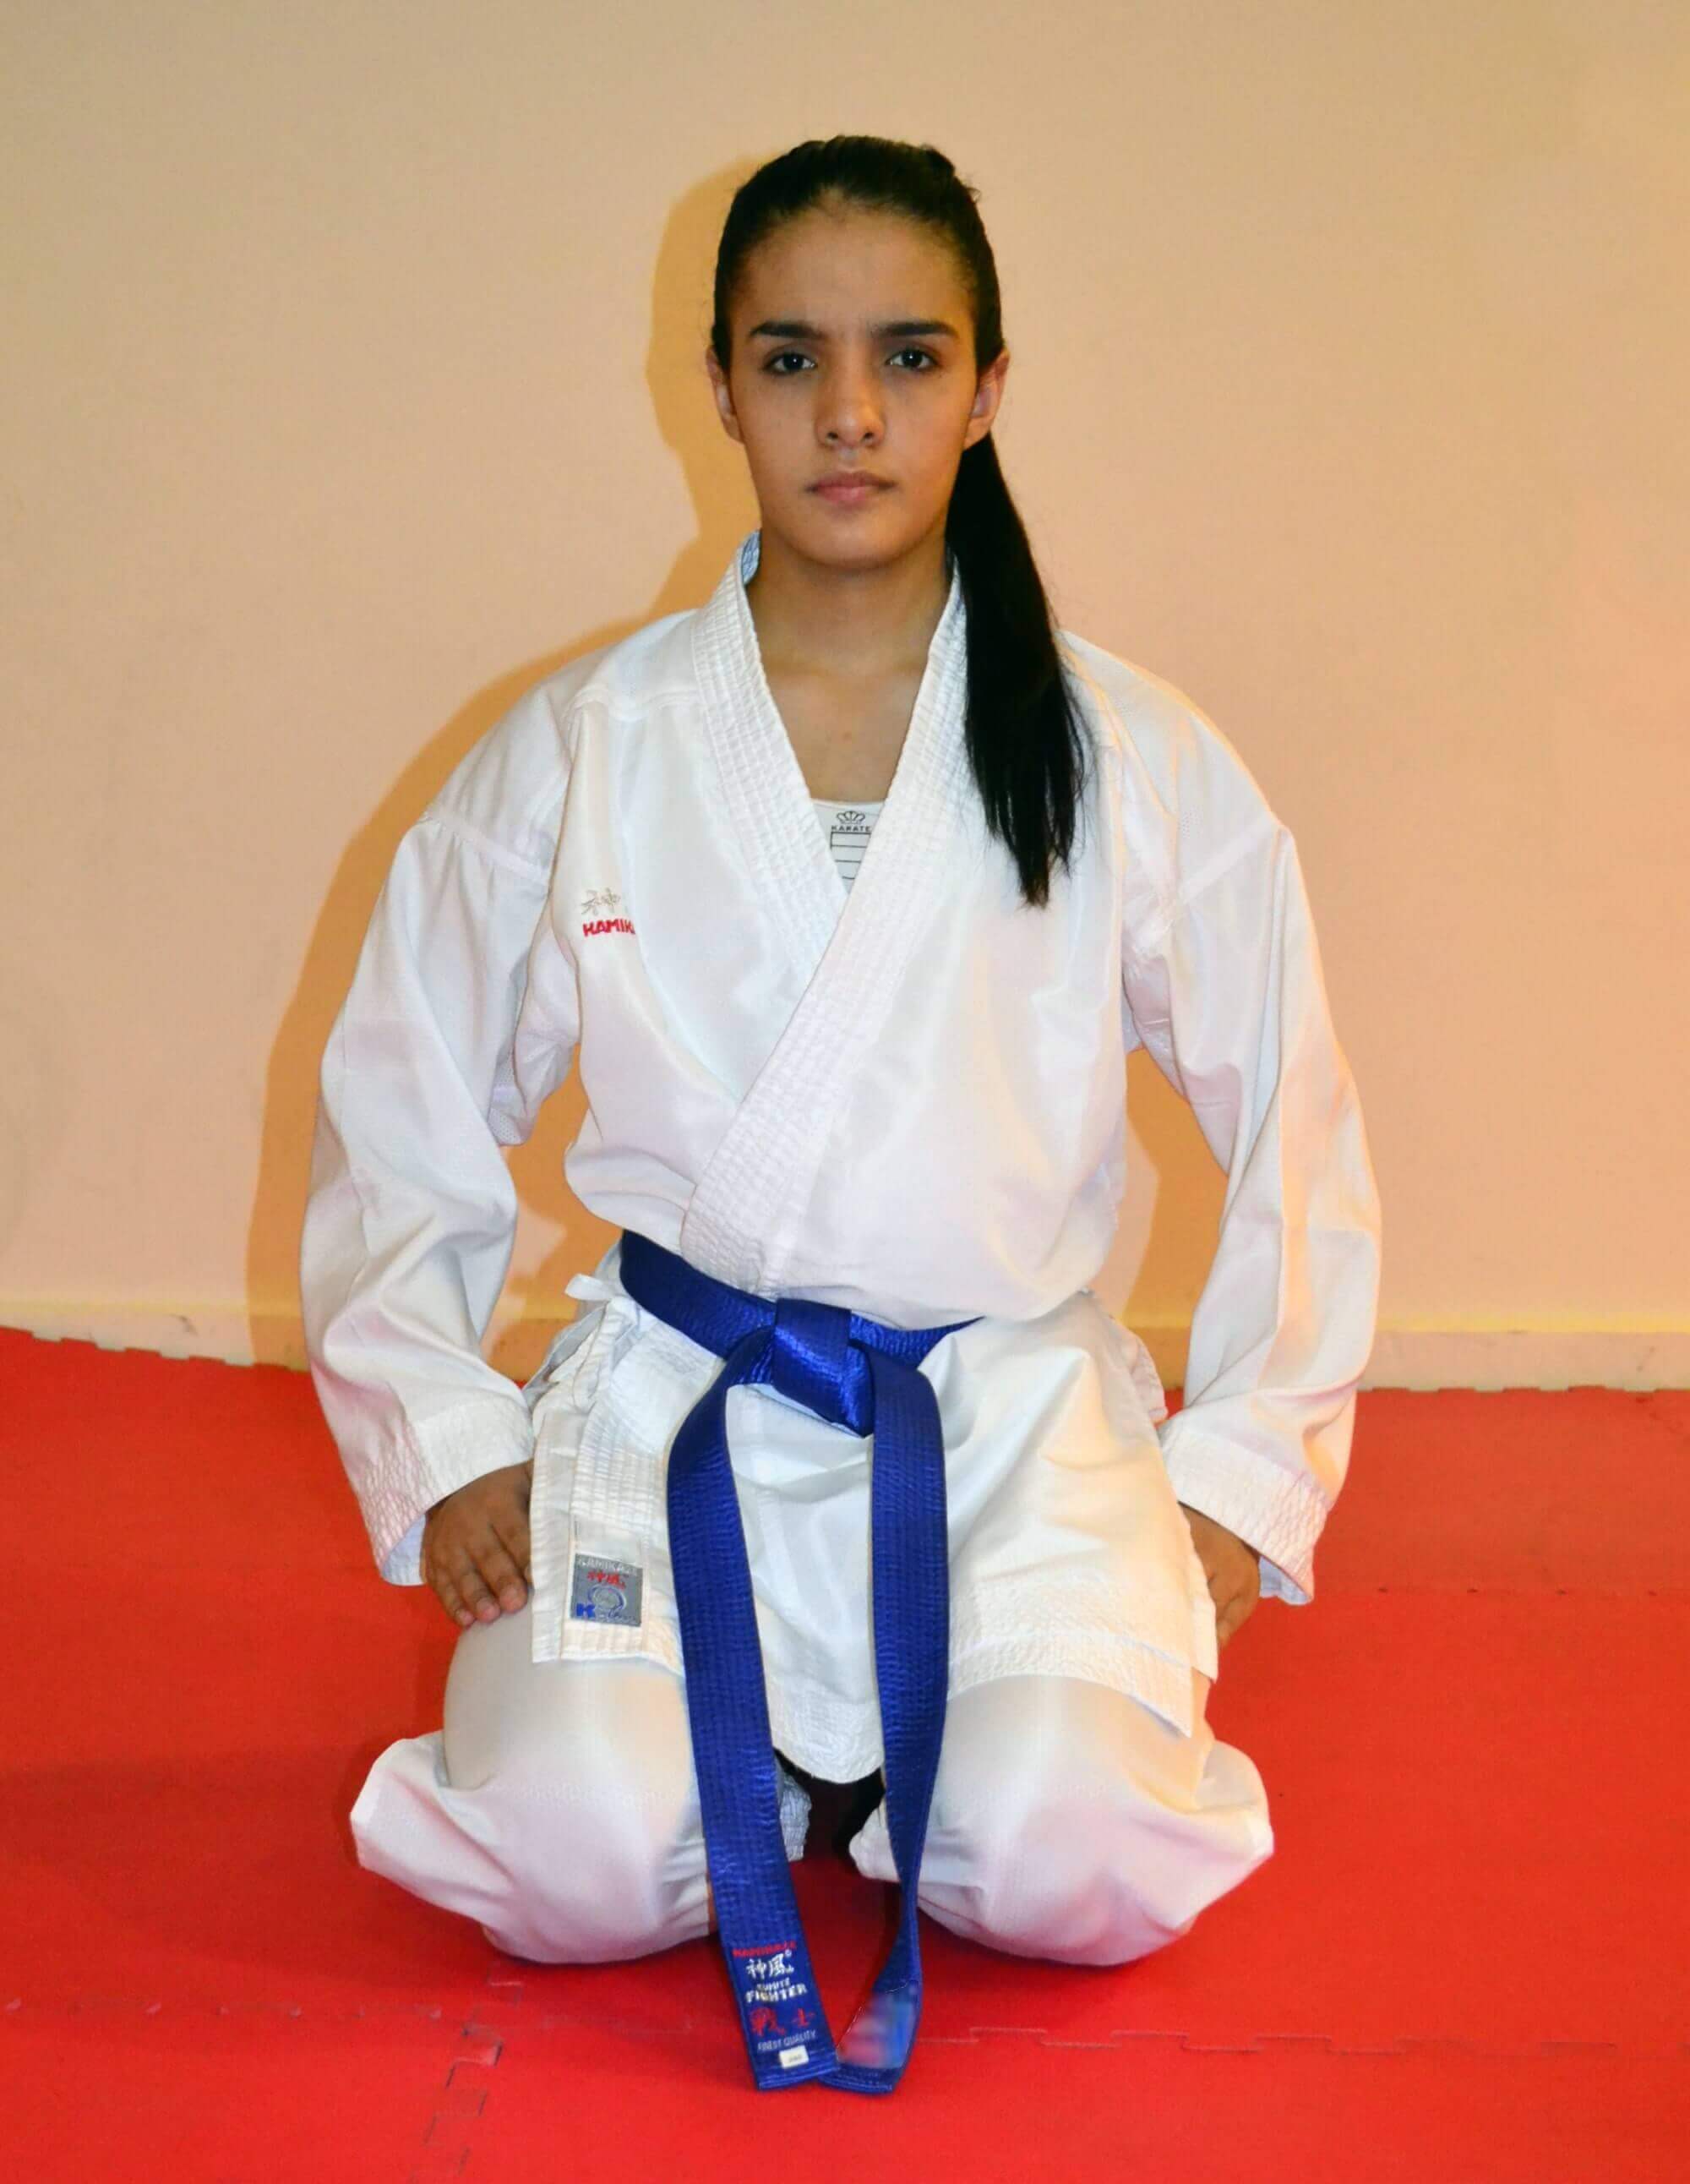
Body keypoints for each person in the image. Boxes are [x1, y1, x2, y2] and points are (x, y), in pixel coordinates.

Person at [300, 134, 1381, 2077]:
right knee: (566, 1852)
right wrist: (444, 1429)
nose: (851, 413)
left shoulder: (1124, 748)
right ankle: (797, 1757)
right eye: (790, 358)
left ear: (987, 386)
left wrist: (1245, 1472)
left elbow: (1297, 1115)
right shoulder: (590, 743)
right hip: (682, 1402)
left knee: (1069, 1860)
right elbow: (405, 1095)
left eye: (909, 355)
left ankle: (891, 1755)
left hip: (999, 1421)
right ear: (718, 386)